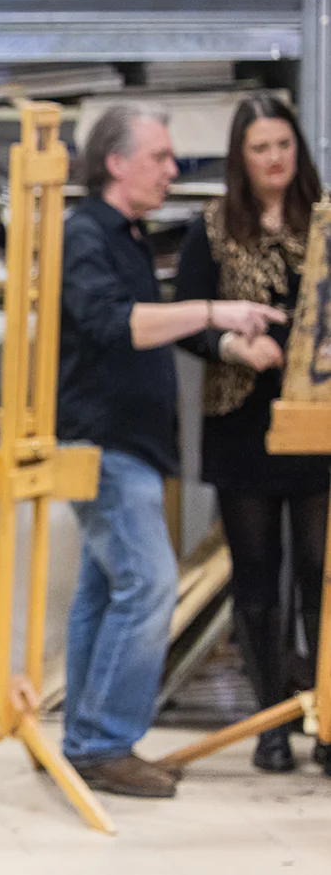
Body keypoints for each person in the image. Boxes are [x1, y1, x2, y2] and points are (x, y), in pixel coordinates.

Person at [57, 103, 285, 798]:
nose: (171, 168)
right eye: (158, 156)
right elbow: (111, 322)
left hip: (131, 442)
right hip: (106, 442)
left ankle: (87, 738)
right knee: (150, 582)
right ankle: (104, 744)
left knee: (105, 591)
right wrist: (218, 311)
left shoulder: (123, 233)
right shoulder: (87, 232)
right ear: (117, 162)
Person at [174, 93, 330, 774]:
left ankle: (325, 717)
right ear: (241, 157)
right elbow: (186, 320)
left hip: (317, 419)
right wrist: (234, 348)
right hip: (241, 421)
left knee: (321, 574)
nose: (275, 158)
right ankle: (269, 721)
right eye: (261, 147)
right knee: (258, 578)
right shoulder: (211, 228)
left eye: (284, 145)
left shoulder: (323, 222)